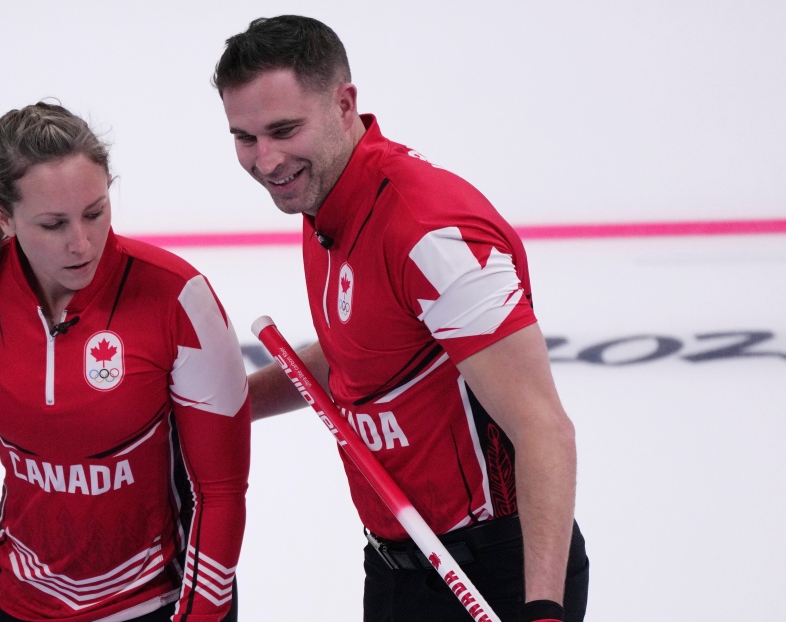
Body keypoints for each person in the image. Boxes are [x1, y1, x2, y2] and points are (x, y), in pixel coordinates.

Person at [213, 16, 588, 622]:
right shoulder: (327, 200)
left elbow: (545, 431)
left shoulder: (430, 234)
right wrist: (217, 408)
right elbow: (359, 353)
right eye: (245, 137)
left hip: (497, 572)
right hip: (400, 568)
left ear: (344, 104)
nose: (267, 160)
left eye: (284, 130)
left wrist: (542, 611)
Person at [0, 102, 250, 622]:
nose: (81, 244)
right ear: (2, 218)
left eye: (95, 213)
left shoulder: (178, 299)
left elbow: (220, 491)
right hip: (22, 604)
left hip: (159, 602)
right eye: (53, 224)